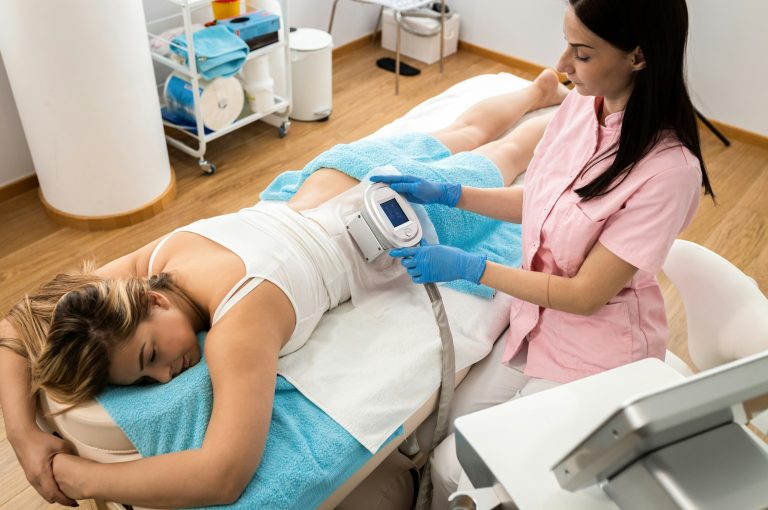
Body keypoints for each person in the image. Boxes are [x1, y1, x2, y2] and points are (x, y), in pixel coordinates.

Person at [0, 70, 569, 507]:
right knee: (465, 135)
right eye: (146, 377)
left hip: (396, 210)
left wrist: (79, 474)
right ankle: (538, 89)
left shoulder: (239, 328)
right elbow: (12, 327)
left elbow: (223, 475)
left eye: (151, 355)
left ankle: (585, 112)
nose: (165, 373)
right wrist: (25, 436)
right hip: (336, 174)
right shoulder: (156, 258)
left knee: (509, 156)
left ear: (153, 301)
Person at [372, 0, 714, 506]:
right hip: (538, 321)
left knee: (473, 475)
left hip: (600, 351)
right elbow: (540, 205)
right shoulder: (580, 106)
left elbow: (583, 296)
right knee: (452, 434)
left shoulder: (668, 172)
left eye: (582, 53)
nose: (562, 67)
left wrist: (472, 267)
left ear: (638, 57)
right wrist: (450, 192)